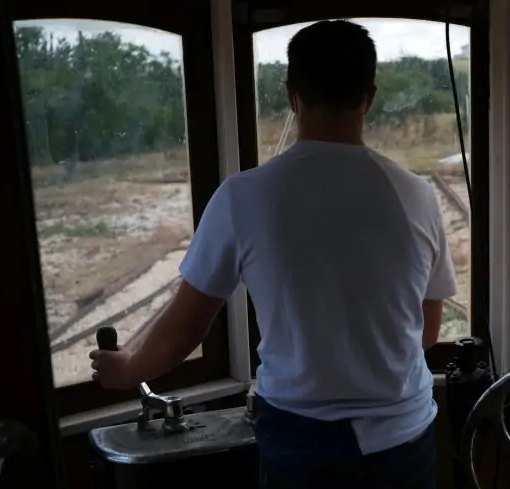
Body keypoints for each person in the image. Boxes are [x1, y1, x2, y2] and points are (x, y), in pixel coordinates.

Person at [89, 20, 457, 489]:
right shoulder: (417, 195)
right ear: (368, 97)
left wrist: (128, 369)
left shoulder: (244, 197)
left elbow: (185, 330)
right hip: (404, 444)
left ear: (292, 96)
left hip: (301, 448)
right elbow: (426, 333)